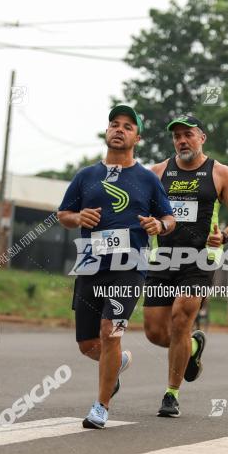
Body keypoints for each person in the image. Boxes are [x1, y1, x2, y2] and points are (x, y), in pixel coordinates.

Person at [57, 104, 175, 429]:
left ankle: (101, 406)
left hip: (130, 265)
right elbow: (63, 214)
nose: (119, 130)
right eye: (114, 124)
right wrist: (78, 217)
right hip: (91, 262)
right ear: (107, 131)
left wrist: (159, 227)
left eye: (127, 126)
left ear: (138, 136)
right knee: (87, 344)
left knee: (111, 331)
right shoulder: (86, 176)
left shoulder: (147, 180)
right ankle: (118, 364)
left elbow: (169, 218)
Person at [144, 115, 228, 418]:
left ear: (201, 137)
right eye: (176, 136)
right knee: (155, 332)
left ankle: (171, 394)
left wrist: (226, 235)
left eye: (187, 134)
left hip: (200, 258)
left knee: (180, 318)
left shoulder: (219, 173)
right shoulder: (158, 173)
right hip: (162, 258)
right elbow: (139, 210)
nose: (182, 140)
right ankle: (191, 347)